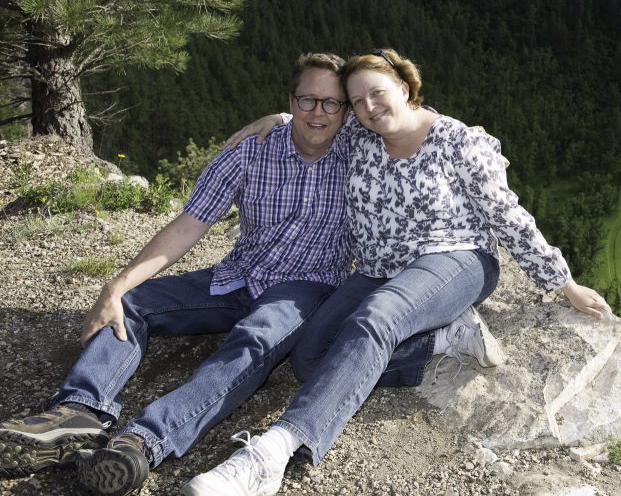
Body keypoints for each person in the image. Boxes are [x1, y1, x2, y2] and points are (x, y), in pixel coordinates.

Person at [0, 53, 488, 496]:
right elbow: (189, 224)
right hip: (239, 274)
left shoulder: (358, 147)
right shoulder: (249, 151)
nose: (319, 113)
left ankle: (144, 440)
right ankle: (80, 412)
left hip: (307, 287)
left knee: (253, 342)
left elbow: (412, 123)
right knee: (134, 302)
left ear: (346, 112)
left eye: (332, 104)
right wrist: (118, 283)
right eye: (306, 101)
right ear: (289, 100)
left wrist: (481, 154)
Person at [183, 48, 610, 495]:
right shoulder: (359, 136)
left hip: (457, 258)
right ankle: (439, 339)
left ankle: (273, 452)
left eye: (377, 93)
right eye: (357, 100)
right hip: (378, 267)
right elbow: (313, 118)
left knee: (376, 318)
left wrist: (564, 284)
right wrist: (271, 119)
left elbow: (508, 215)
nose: (368, 107)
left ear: (405, 88)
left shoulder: (459, 142)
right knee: (310, 359)